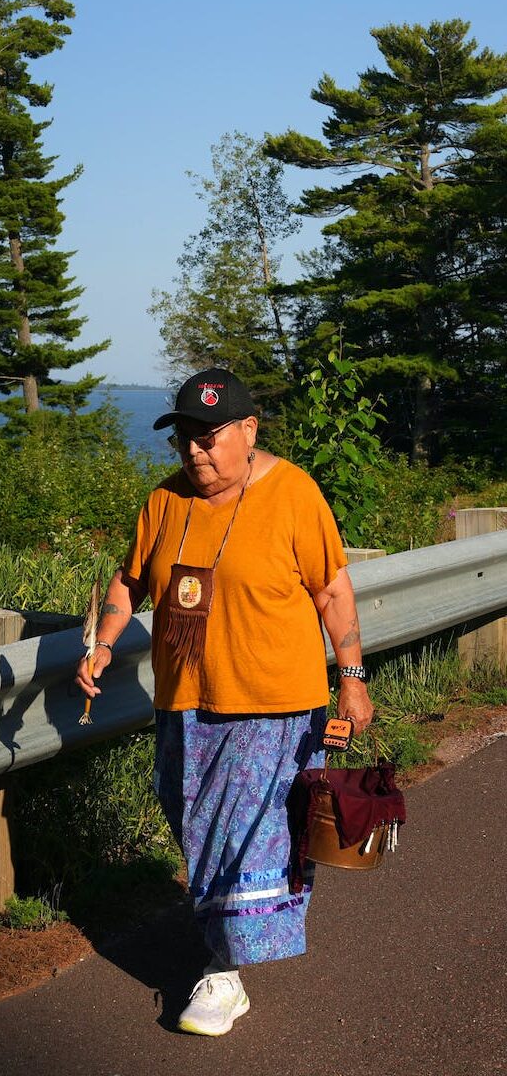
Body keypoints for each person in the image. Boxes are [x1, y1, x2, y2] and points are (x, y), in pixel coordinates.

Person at [75, 367, 374, 1037]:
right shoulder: (164, 503)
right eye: (183, 440)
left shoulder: (293, 494)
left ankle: (221, 971)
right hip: (184, 700)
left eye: (209, 439)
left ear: (248, 430)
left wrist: (352, 677)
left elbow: (333, 592)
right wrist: (102, 644)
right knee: (191, 818)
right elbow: (130, 581)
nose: (194, 453)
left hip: (273, 701)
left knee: (234, 829)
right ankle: (232, 941)